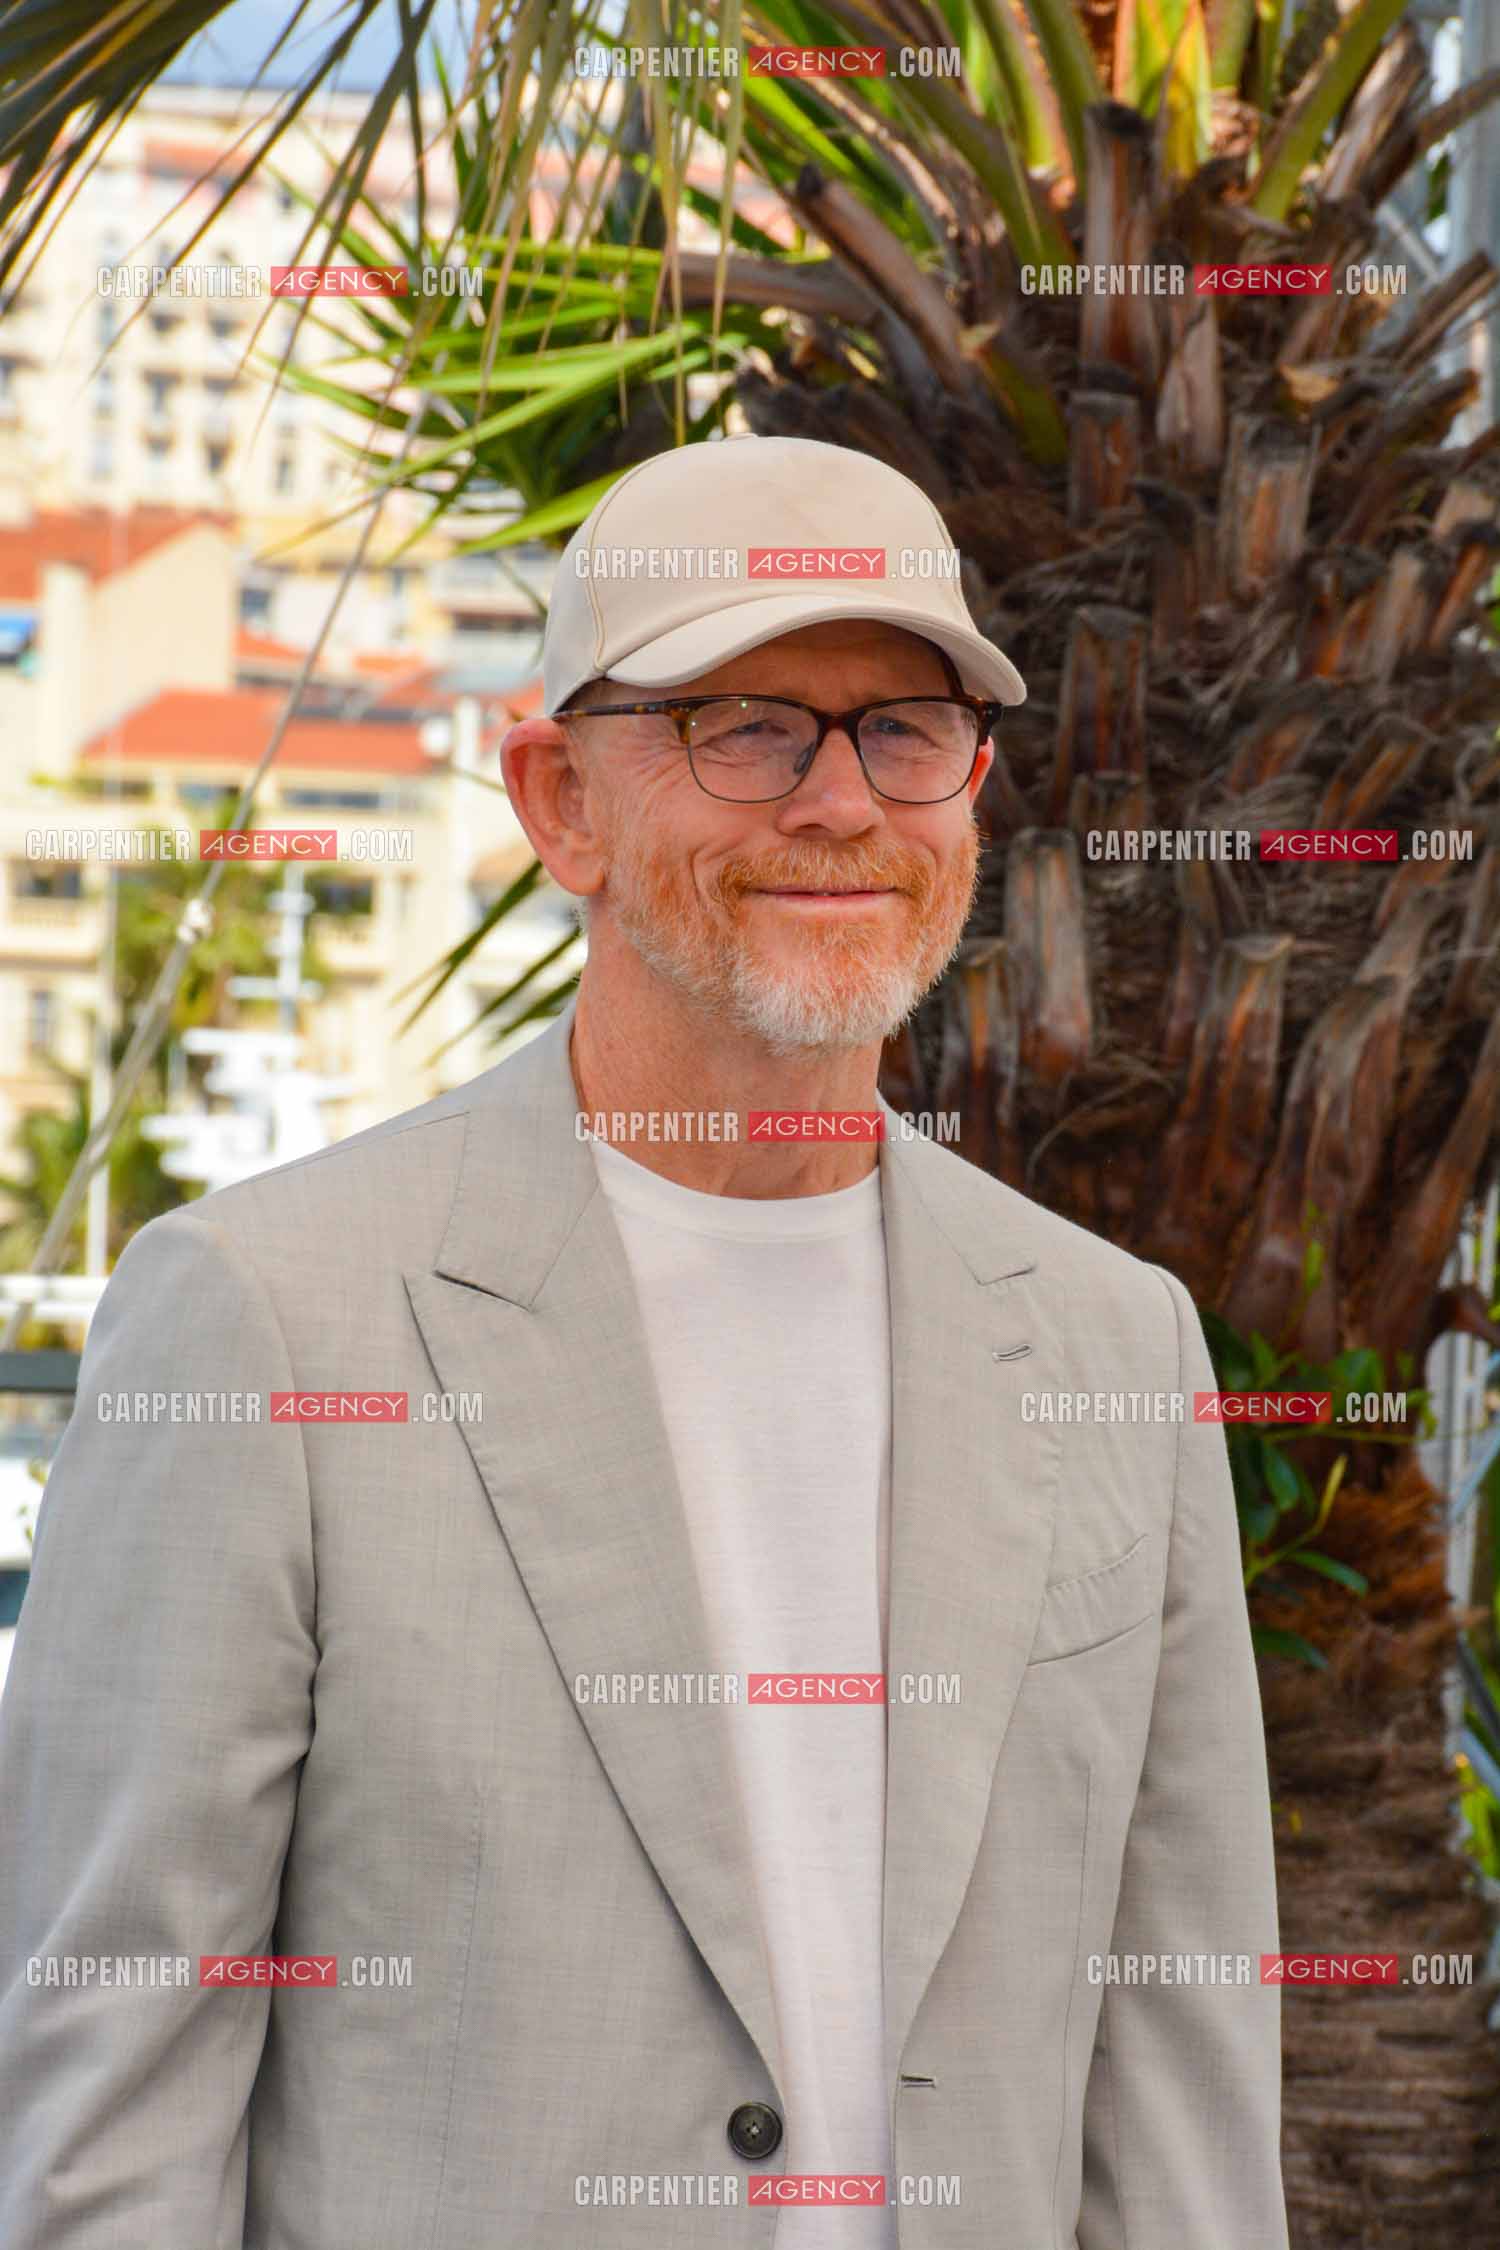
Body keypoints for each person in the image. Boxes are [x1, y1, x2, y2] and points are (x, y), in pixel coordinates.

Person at [0, 433, 1289, 2248]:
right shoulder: (265, 1318)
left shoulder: (1113, 1344)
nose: (839, 802)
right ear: (557, 801)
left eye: (905, 728)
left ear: (974, 790)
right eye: (744, 725)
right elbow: (111, 2120)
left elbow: (1182, 2077)